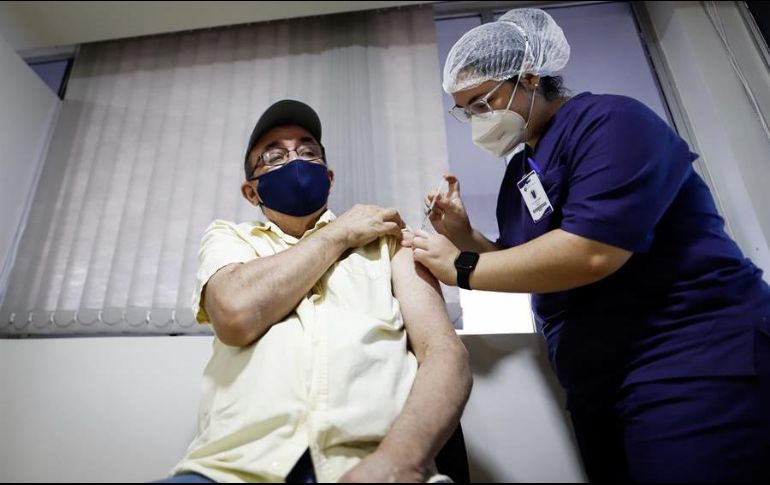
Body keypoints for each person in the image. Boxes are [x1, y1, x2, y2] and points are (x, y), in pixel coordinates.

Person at [404, 8, 770, 483]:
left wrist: (462, 267)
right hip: (599, 382)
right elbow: (529, 267)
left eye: (482, 102)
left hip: (692, 360)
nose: (476, 119)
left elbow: (592, 252)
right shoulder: (520, 174)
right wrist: (464, 236)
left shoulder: (611, 122)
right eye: (466, 110)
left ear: (530, 78)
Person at [160, 100, 472, 483]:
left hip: (372, 463)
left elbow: (444, 353)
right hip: (233, 469)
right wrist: (340, 232)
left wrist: (399, 461)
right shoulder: (231, 239)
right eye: (274, 156)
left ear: (329, 176)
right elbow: (235, 315)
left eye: (308, 152)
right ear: (251, 192)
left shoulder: (387, 243)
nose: (295, 161)